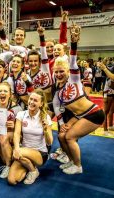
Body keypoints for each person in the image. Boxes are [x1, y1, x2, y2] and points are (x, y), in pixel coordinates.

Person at [52, 24, 105, 174]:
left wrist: (74, 43)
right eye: (56, 72)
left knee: (69, 137)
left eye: (62, 71)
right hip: (79, 116)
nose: (59, 74)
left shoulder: (73, 79)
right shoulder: (58, 89)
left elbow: (73, 62)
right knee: (61, 135)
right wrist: (61, 123)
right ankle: (70, 160)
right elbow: (56, 106)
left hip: (94, 114)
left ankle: (78, 165)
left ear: (68, 71)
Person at [8, 89, 53, 185]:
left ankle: (32, 169)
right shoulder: (21, 114)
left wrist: (45, 129)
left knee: (18, 152)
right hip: (23, 151)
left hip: (40, 153)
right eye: (31, 99)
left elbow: (49, 142)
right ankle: (31, 168)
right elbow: (16, 133)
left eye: (35, 100)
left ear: (41, 104)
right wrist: (16, 148)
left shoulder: (46, 117)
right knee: (12, 180)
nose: (31, 102)